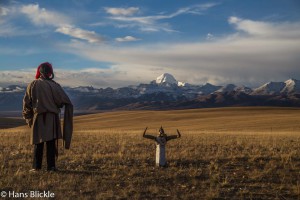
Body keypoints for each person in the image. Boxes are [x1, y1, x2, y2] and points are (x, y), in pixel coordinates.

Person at [22, 62, 73, 172]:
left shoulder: (32, 84)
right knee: (51, 143)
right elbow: (62, 102)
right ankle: (51, 167)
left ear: (39, 72)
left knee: (38, 143)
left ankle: (36, 167)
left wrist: (29, 119)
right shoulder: (55, 85)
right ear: (50, 72)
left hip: (38, 117)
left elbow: (27, 104)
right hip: (52, 118)